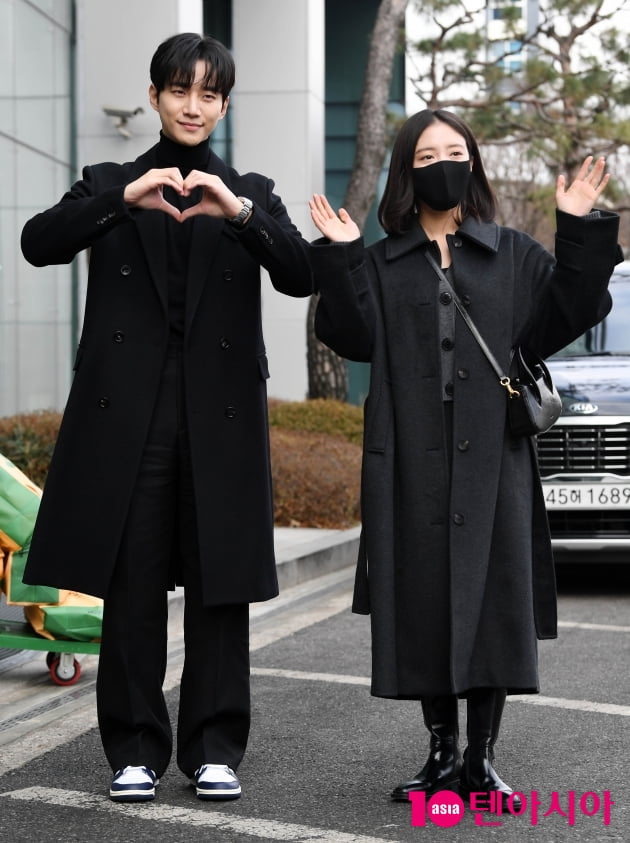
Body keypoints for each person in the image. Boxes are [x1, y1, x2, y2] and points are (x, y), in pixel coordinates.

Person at [21, 32, 312, 803]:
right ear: (154, 97)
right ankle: (135, 747)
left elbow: (301, 271)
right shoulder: (111, 181)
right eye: (179, 89)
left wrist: (241, 212)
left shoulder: (248, 187)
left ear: (222, 104)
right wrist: (120, 201)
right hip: (130, 420)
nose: (193, 105)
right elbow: (36, 244)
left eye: (209, 93)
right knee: (133, 582)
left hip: (219, 418)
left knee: (221, 584)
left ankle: (215, 745)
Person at [308, 109, 620, 807]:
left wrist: (576, 229)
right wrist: (341, 255)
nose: (445, 162)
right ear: (406, 171)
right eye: (428, 154)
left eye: (457, 151)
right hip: (408, 457)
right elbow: (350, 335)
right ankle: (440, 752)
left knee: (493, 600)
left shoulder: (510, 251)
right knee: (421, 599)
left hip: (494, 456)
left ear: (473, 164)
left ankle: (479, 759)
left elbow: (573, 309)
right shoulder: (385, 262)